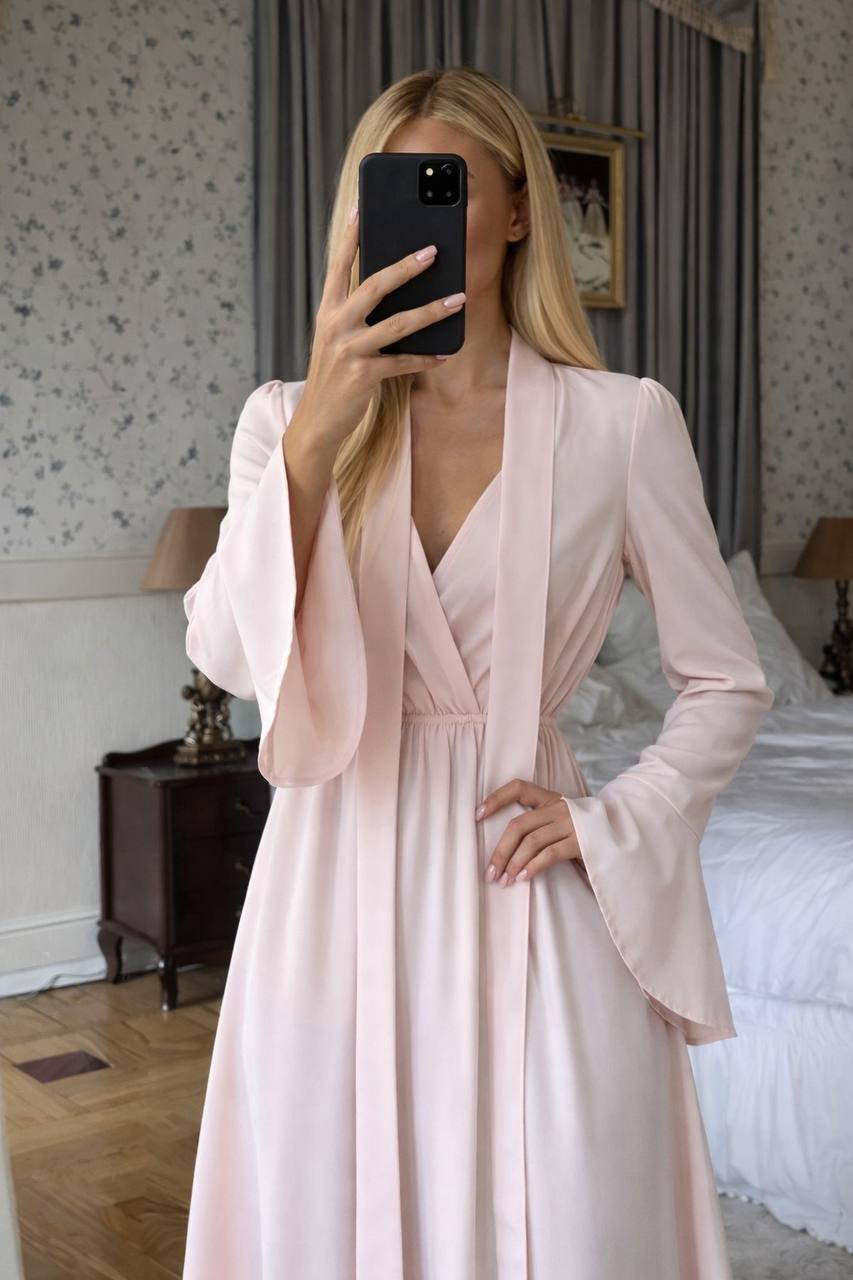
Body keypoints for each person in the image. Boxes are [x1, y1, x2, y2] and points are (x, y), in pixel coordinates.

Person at [181, 66, 774, 1280]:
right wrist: (316, 436)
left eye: (447, 182)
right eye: (392, 185)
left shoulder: (622, 422)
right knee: (327, 1209)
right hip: (326, 890)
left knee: (569, 1217)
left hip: (528, 880)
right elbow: (227, 656)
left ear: (514, 209)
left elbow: (728, 677)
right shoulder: (283, 420)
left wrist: (617, 815)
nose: (421, 211)